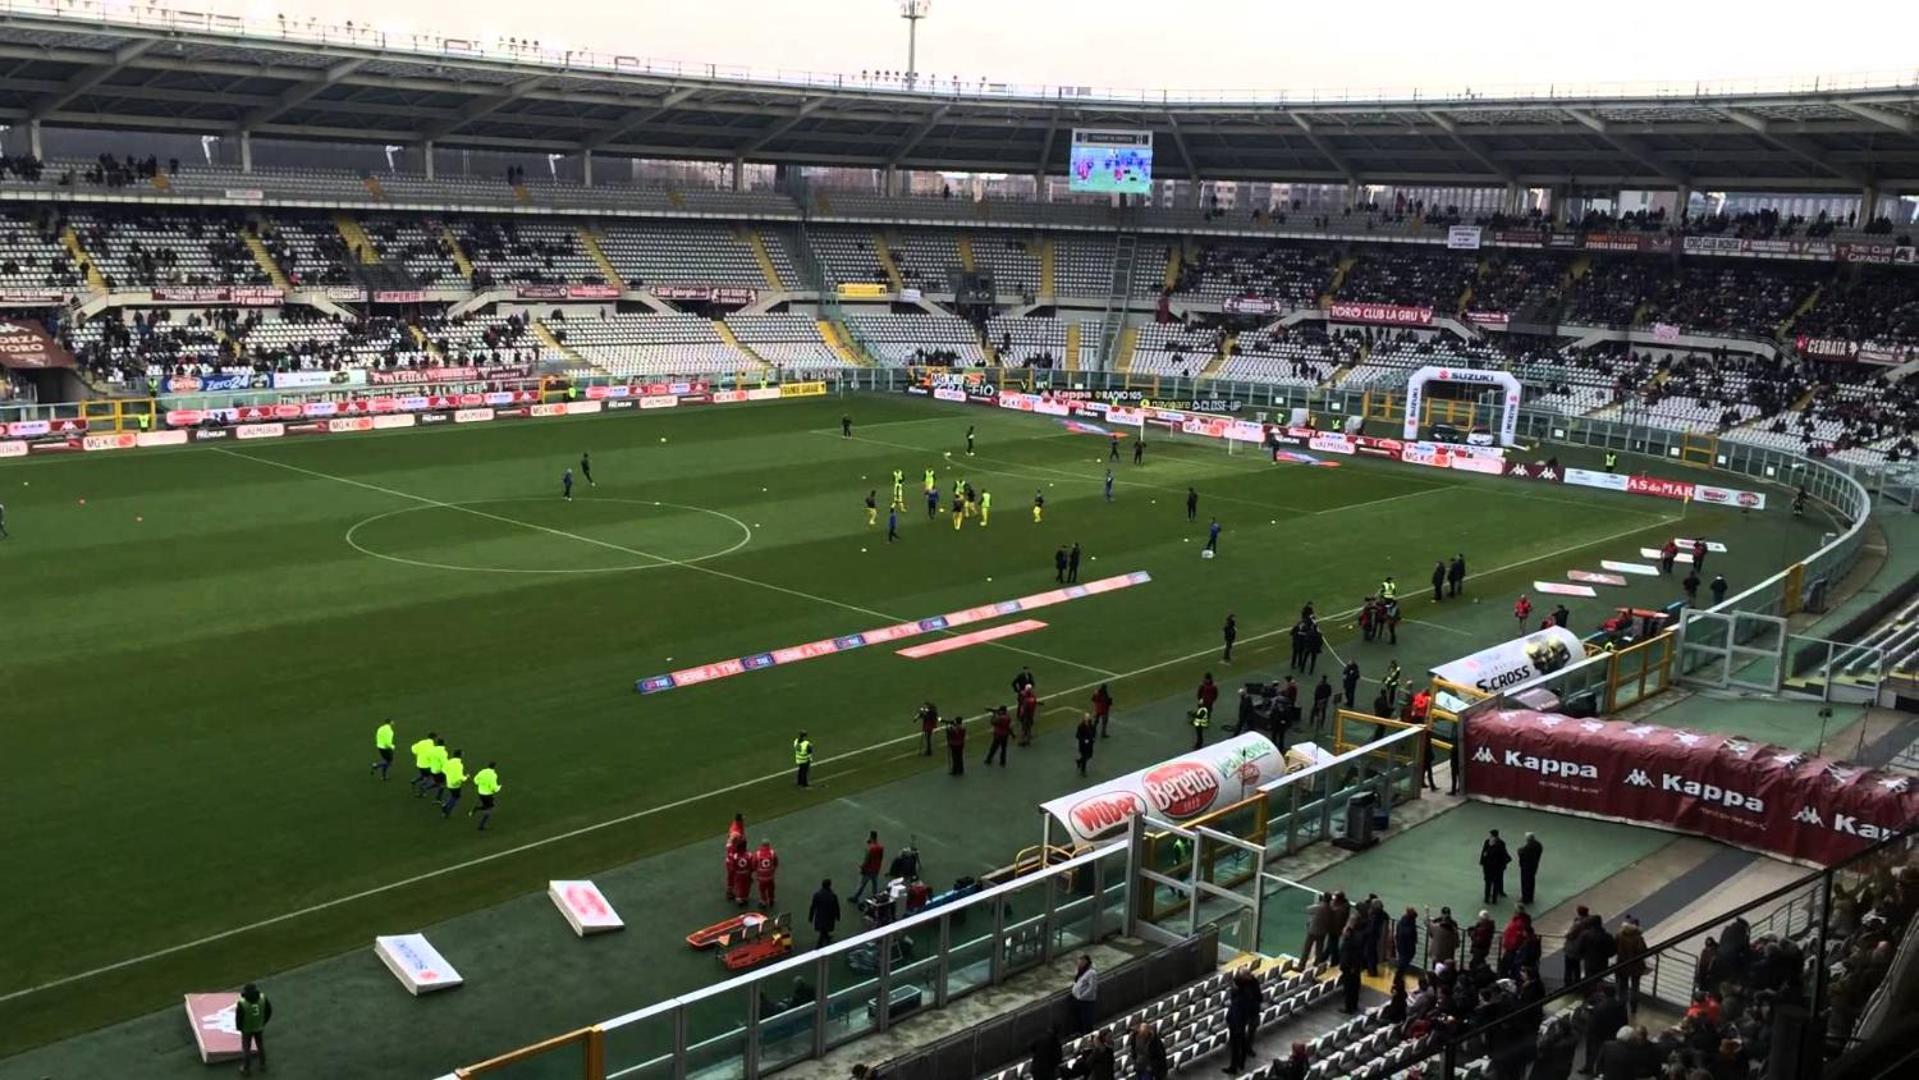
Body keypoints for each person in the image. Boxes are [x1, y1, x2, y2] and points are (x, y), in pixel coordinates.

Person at [1225, 967, 1263, 1073]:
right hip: (1244, 1017)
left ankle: (1235, 1066)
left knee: (1237, 1044)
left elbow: (1235, 1001)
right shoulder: (1253, 984)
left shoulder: (1242, 993)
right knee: (1243, 1041)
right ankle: (1241, 1061)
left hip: (1238, 1021)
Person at [233, 982, 272, 1076]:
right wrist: (263, 1022)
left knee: (246, 1048)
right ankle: (262, 1064)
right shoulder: (263, 998)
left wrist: (239, 1028)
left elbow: (239, 1018)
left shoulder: (242, 1003)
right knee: (260, 1045)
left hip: (246, 1029)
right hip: (259, 1026)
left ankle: (246, 1068)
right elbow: (269, 1011)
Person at [1614, 915, 1648, 1015]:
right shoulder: (1638, 938)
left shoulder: (1619, 935)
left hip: (1622, 965)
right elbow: (1643, 951)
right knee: (1635, 988)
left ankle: (1621, 1007)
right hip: (1635, 967)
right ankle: (1633, 1008)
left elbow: (1614, 948)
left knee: (1622, 987)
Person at [1337, 923, 1366, 1013]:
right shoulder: (1357, 942)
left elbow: (1346, 957)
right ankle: (1354, 1005)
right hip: (1355, 969)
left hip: (1349, 969)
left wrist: (1344, 967)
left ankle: (1348, 1008)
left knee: (1348, 989)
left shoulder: (1348, 944)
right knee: (1355, 988)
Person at [1480, 828, 1511, 903]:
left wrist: (1483, 861)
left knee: (1492, 883)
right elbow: (1483, 852)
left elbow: (1485, 853)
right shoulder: (1489, 842)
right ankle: (1491, 897)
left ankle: (1492, 897)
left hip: (1494, 868)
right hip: (1495, 868)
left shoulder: (1499, 844)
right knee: (1494, 882)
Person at [852, 831, 884, 903]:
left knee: (862, 884)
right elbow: (881, 858)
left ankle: (855, 897)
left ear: (871, 837)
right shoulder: (880, 847)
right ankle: (875, 896)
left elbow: (867, 860)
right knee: (875, 883)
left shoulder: (870, 848)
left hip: (868, 870)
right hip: (876, 868)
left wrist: (862, 867)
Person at [1069, 955, 1098, 1034]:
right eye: (1079, 961)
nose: (1079, 963)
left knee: (1086, 1019)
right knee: (1078, 1017)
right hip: (1077, 998)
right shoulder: (1081, 971)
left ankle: (1088, 1034)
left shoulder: (1091, 973)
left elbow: (1092, 988)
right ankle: (1080, 1032)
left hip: (1085, 1001)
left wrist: (1082, 996)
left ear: (1086, 961)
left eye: (1081, 961)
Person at [469, 761, 502, 830]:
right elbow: (493, 787)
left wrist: (480, 784)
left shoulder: (482, 771)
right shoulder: (493, 775)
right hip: (488, 795)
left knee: (487, 806)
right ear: (494, 767)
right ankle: (481, 825)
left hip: (480, 793)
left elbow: (475, 780)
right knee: (489, 808)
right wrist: (498, 788)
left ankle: (476, 809)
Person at [809, 878, 840, 948]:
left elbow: (813, 906)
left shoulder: (817, 895)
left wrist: (811, 916)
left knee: (823, 928)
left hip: (820, 915)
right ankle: (819, 944)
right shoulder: (832, 895)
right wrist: (837, 916)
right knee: (824, 929)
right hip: (829, 915)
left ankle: (826, 938)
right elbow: (836, 907)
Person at [1303, 893, 1333, 965]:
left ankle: (1302, 965)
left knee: (1307, 949)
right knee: (1319, 949)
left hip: (1313, 931)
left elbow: (1308, 909)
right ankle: (1317, 964)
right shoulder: (1331, 909)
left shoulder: (1318, 907)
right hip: (1322, 932)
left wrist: (1317, 904)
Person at [437, 748, 467, 818]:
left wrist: (450, 773)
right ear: (460, 755)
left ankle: (446, 805)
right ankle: (447, 810)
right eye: (462, 753)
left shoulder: (449, 762)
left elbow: (443, 770)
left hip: (449, 783)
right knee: (456, 797)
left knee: (453, 796)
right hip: (455, 785)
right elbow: (459, 776)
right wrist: (465, 778)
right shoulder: (459, 764)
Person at [1517, 832, 1543, 905]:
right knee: (1531, 881)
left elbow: (1522, 854)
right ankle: (1530, 897)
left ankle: (1525, 898)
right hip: (1534, 866)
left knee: (1525, 882)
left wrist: (1520, 851)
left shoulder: (1528, 848)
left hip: (1526, 867)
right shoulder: (1538, 845)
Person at [753, 839, 779, 909]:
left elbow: (754, 864)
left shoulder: (757, 854)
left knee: (762, 890)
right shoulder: (772, 853)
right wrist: (772, 870)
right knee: (771, 888)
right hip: (770, 876)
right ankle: (771, 899)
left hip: (761, 877)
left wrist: (757, 872)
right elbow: (776, 863)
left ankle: (763, 902)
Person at [727, 837, 753, 907]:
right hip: (747, 873)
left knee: (739, 886)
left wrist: (735, 873)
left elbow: (733, 866)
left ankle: (739, 899)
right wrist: (750, 873)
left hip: (738, 874)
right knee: (746, 886)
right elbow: (752, 865)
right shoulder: (749, 855)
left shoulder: (735, 856)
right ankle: (745, 898)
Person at [1395, 908, 1419, 974]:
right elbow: (1411, 936)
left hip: (1400, 944)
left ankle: (1399, 975)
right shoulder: (1411, 925)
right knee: (1404, 962)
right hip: (1407, 946)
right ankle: (1399, 976)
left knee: (1402, 960)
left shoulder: (1401, 922)